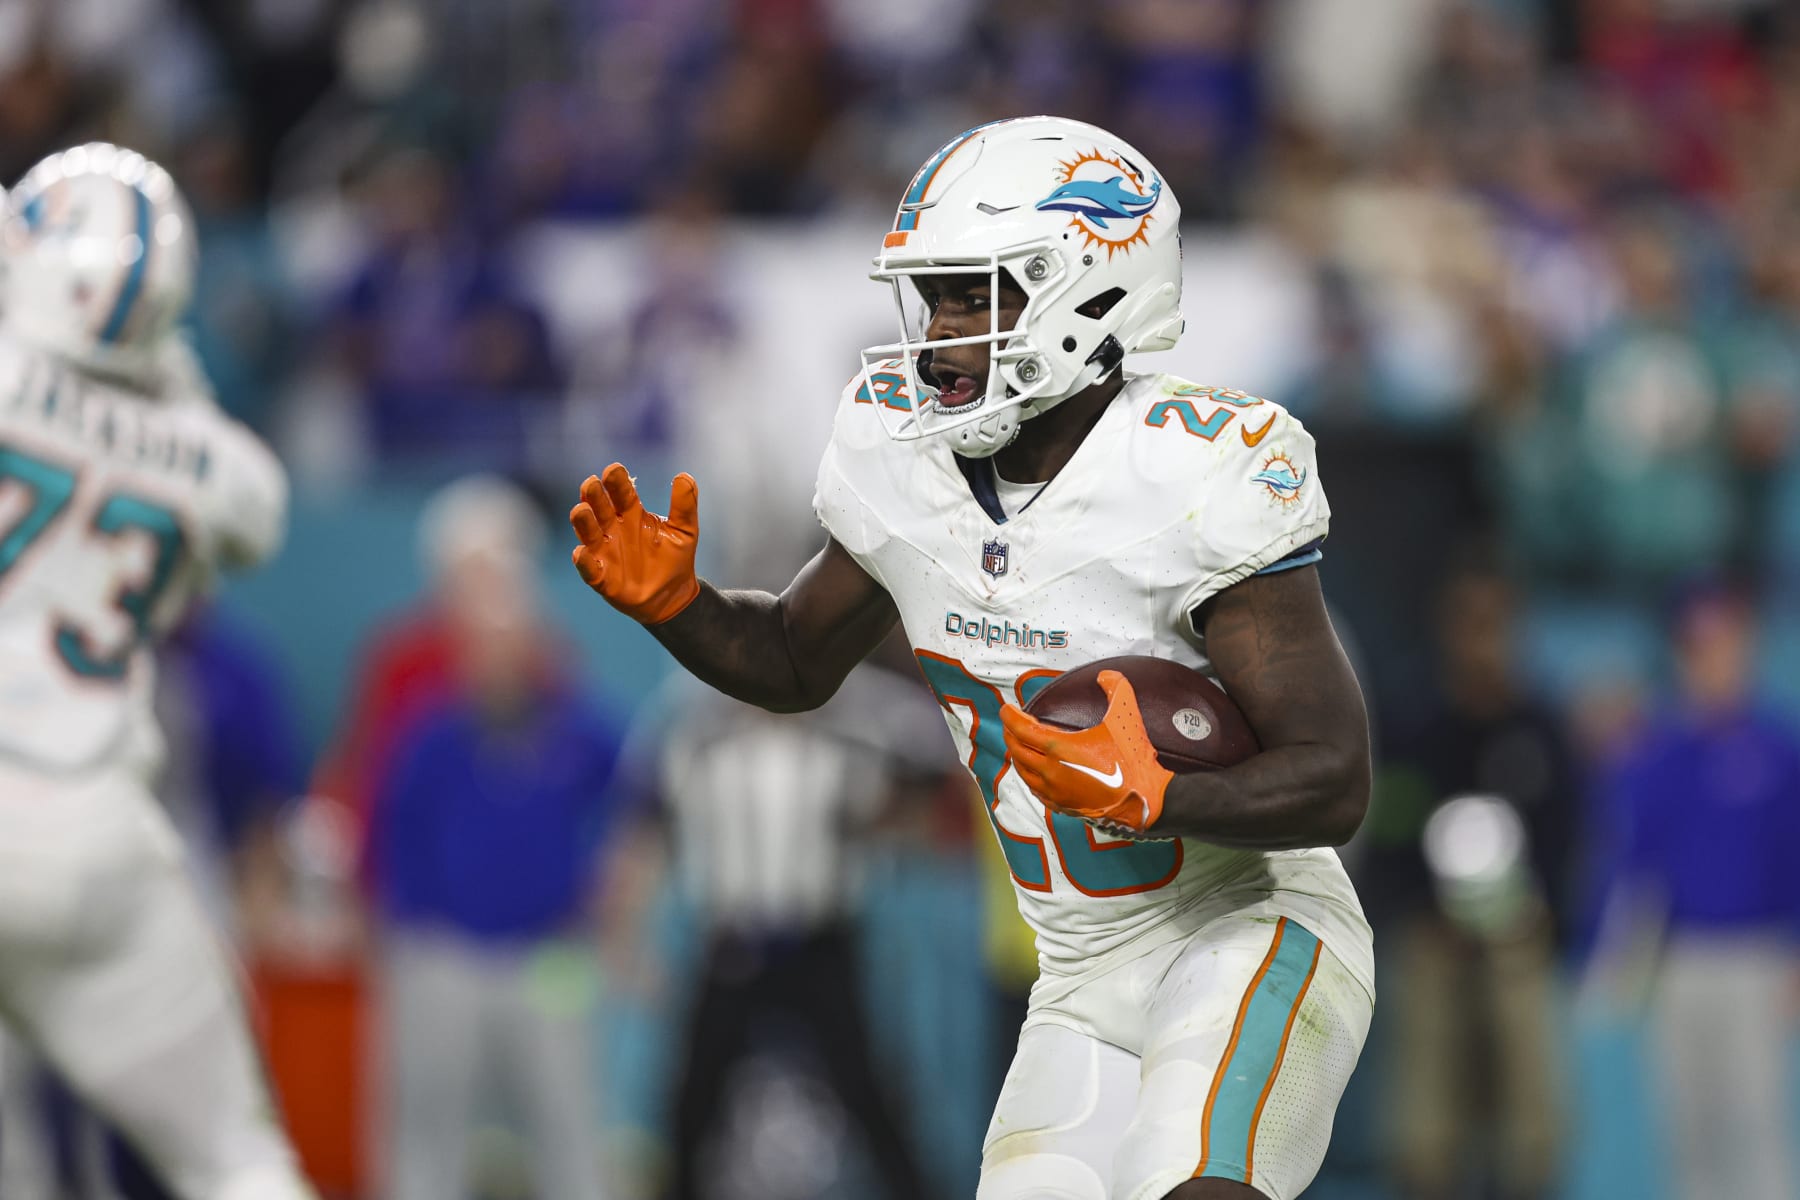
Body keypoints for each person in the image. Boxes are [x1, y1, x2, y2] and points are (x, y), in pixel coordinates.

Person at [569, 116, 1375, 1200]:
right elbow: (796, 664)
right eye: (935, 296)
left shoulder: (1193, 472)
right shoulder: (904, 461)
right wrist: (679, 608)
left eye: (974, 294)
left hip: (1248, 933)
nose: (942, 330)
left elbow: (1333, 779)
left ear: (1092, 287)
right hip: (1081, 976)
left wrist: (1160, 793)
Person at [0, 143, 314, 1198]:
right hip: (92, 828)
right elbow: (253, 513)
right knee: (235, 1160)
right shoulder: (221, 466)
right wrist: (155, 369)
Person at [367, 475, 629, 1200]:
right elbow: (384, 835)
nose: (499, 655)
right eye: (484, 641)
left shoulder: (575, 726)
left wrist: (618, 910)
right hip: (440, 952)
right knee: (425, 1135)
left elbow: (635, 806)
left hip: (551, 953)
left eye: (512, 639)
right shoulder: (425, 730)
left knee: (569, 1126)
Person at [1587, 580, 1800, 1200]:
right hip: (1678, 966)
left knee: (1753, 1129)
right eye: (1698, 645)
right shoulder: (1658, 753)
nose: (1713, 658)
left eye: (1725, 642)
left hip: (1755, 962)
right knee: (1688, 1135)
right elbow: (1633, 863)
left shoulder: (1777, 748)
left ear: (1747, 646)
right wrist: (1612, 962)